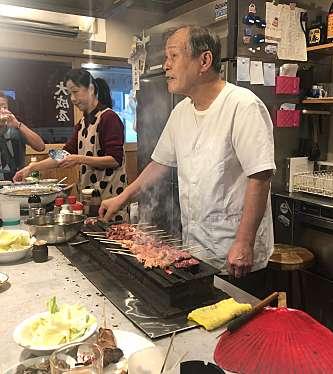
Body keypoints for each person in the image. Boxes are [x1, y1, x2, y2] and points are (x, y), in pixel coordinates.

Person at [99, 26, 276, 280]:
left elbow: (260, 176)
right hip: (196, 247)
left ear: (204, 60)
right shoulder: (181, 112)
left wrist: (244, 243)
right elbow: (159, 164)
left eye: (173, 56)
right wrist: (123, 197)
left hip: (236, 253)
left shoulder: (242, 105)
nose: (165, 66)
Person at [14, 69, 128, 220]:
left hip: (111, 201)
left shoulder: (109, 118)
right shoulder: (81, 123)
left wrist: (79, 159)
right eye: (69, 94)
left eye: (75, 91)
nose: (72, 99)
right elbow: (63, 154)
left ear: (91, 89)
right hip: (90, 203)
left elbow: (115, 159)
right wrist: (31, 168)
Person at [0, 92, 45, 180]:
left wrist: (18, 125)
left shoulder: (15, 129)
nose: (2, 110)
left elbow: (40, 147)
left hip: (17, 183)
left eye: (4, 107)